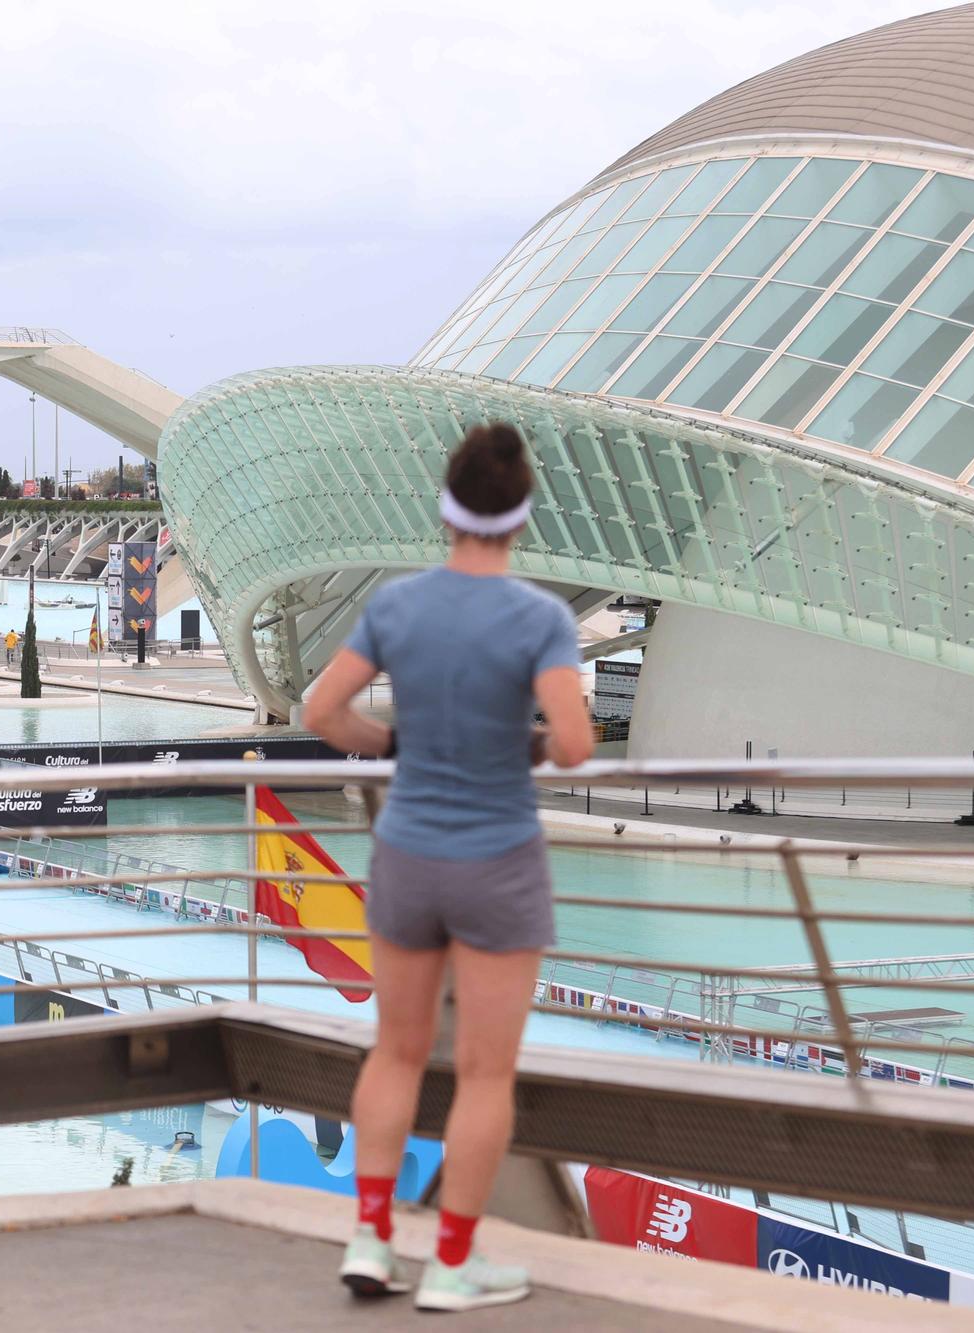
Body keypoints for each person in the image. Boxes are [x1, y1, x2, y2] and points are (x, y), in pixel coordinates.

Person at [303, 421, 593, 1313]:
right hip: (497, 859)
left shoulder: (399, 606)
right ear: (520, 515)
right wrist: (530, 743)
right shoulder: (539, 618)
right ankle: (455, 1263)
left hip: (407, 854)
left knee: (394, 1052)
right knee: (483, 1072)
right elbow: (577, 744)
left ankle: (371, 1237)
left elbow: (322, 709)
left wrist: (393, 741)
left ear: (447, 508)